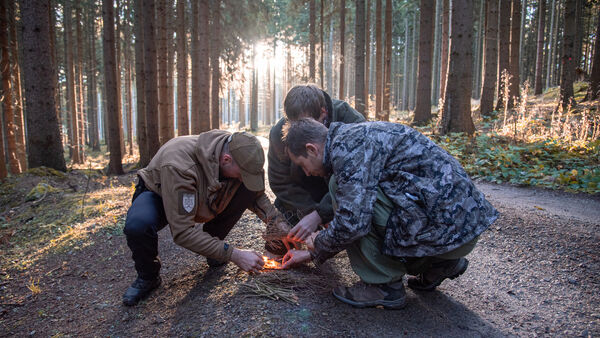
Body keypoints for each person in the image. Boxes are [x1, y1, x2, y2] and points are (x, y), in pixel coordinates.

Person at [280, 119, 499, 309]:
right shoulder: (356, 135)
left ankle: (383, 287)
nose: (307, 173)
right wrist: (314, 254)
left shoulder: (347, 150)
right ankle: (439, 264)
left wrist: (317, 244)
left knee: (341, 191)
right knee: (370, 202)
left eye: (303, 165)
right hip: (463, 228)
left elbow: (352, 223)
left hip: (446, 231)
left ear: (312, 149)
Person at [122, 130, 285, 306]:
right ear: (226, 160)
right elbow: (183, 233)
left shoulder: (242, 152)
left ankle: (214, 247)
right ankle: (148, 277)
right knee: (138, 226)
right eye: (243, 174)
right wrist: (234, 254)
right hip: (159, 194)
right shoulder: (180, 166)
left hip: (203, 196)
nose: (244, 177)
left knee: (247, 187)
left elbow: (256, 194)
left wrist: (277, 223)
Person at [267, 84, 365, 254]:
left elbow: (360, 179)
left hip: (341, 189)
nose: (298, 132)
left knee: (357, 222)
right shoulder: (279, 132)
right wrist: (309, 212)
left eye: (306, 124)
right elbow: (280, 181)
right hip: (306, 193)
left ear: (323, 113)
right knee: (281, 224)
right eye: (293, 124)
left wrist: (323, 213)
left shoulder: (350, 121)